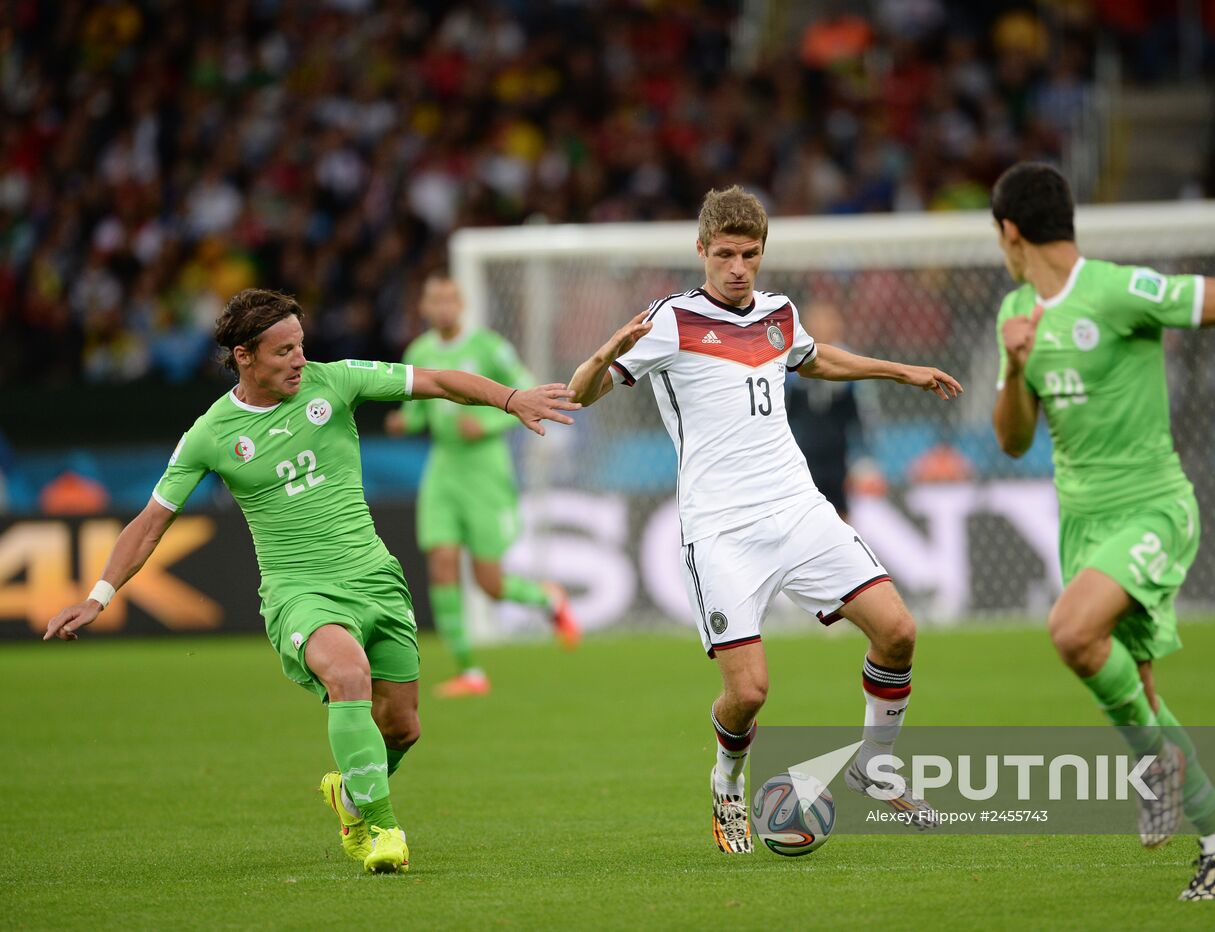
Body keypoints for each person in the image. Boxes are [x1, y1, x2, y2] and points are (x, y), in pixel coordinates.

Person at [43, 288, 578, 873]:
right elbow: (149, 525)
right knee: (348, 674)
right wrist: (99, 596)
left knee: (403, 726)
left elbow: (440, 382)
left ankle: (349, 796)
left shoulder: (338, 380)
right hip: (300, 592)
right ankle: (382, 831)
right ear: (244, 356)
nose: (300, 359)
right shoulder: (211, 435)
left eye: (301, 345)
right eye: (283, 351)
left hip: (375, 578)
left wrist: (511, 399)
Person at [989, 162, 1215, 900]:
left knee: (1070, 633)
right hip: (1082, 524)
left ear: (1010, 232)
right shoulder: (1015, 316)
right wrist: (1014, 366)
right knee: (1138, 688)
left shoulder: (1118, 290)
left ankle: (1160, 772)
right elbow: (1012, 439)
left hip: (1153, 508)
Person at [567, 186, 964, 853]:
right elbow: (582, 394)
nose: (737, 267)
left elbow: (816, 357)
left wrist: (902, 372)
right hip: (721, 531)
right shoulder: (670, 321)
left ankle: (875, 764)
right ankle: (728, 781)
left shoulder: (779, 313)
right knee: (749, 693)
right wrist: (607, 351)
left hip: (798, 508)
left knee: (897, 630)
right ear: (702, 251)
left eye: (749, 254)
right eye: (724, 254)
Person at [386, 273, 581, 699]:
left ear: (461, 304)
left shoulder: (489, 347)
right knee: (440, 562)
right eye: (434, 300)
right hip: (443, 471)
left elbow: (529, 393)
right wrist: (405, 421)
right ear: (424, 308)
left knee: (489, 584)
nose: (442, 307)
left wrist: (490, 420)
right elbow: (419, 413)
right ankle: (469, 670)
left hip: (485, 473)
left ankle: (550, 600)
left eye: (449, 299)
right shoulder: (418, 351)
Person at [784, 301, 878, 519]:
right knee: (804, 515)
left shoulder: (852, 363)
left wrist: (863, 458)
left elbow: (866, 415)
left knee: (841, 513)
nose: (821, 327)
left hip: (839, 455)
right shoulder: (791, 365)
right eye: (815, 321)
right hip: (803, 454)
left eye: (827, 321)